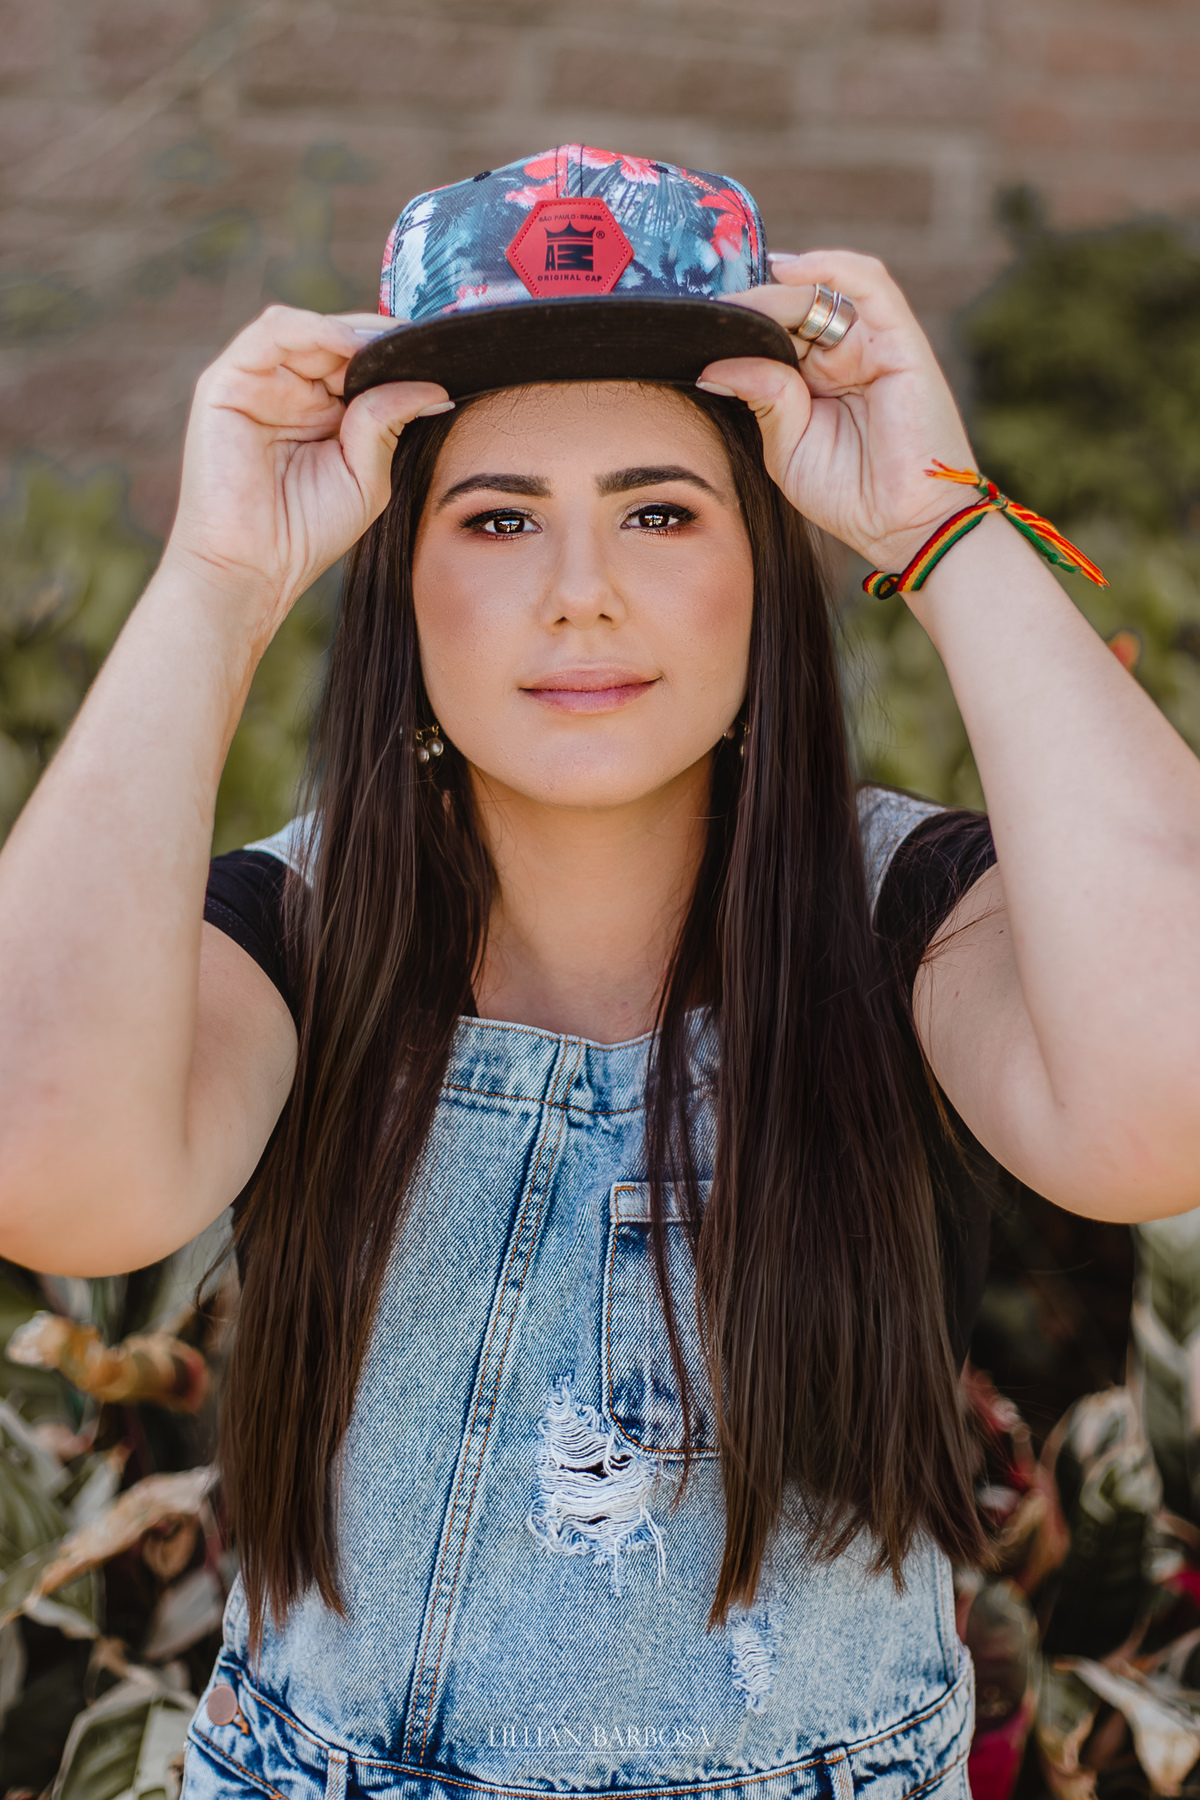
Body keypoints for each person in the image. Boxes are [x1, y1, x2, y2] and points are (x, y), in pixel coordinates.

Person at [1, 143, 1199, 1800]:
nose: (581, 595)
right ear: (403, 579)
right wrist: (218, 581)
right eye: (499, 519)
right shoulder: (295, 938)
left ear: (762, 567)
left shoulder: (904, 919)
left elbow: (1167, 1104)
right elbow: (46, 1165)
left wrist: (940, 520)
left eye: (659, 510)